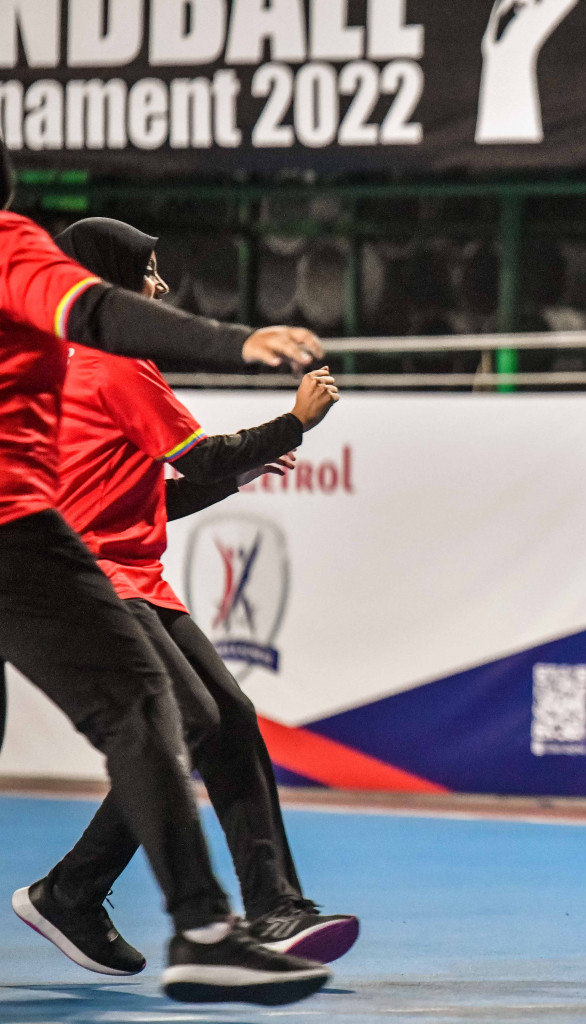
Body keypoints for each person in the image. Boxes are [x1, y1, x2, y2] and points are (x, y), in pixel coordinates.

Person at [0, 151, 336, 1006]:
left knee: (216, 717)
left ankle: (258, 910)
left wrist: (245, 465)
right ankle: (174, 914)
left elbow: (165, 497)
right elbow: (200, 446)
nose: (159, 283)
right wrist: (281, 409)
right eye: (147, 270)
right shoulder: (104, 354)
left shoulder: (75, 359)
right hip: (71, 566)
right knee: (175, 717)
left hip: (111, 566)